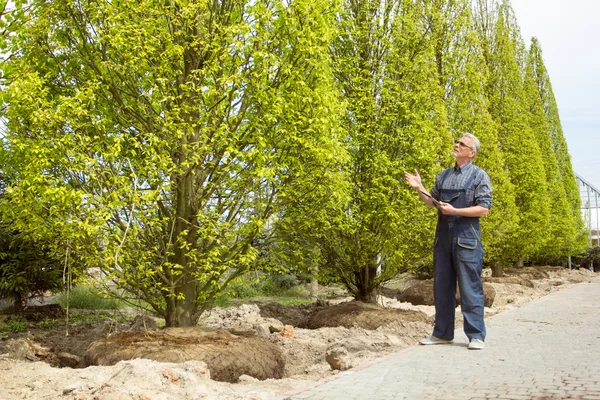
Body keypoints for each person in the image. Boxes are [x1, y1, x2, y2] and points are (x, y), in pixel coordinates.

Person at [404, 133, 492, 350]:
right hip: (443, 237)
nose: (457, 144)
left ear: (472, 153)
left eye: (462, 144)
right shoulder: (443, 175)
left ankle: (476, 336)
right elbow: (430, 203)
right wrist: (420, 187)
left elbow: (484, 209)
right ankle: (442, 334)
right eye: (457, 142)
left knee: (470, 288)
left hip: (467, 238)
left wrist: (455, 210)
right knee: (442, 288)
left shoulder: (479, 176)